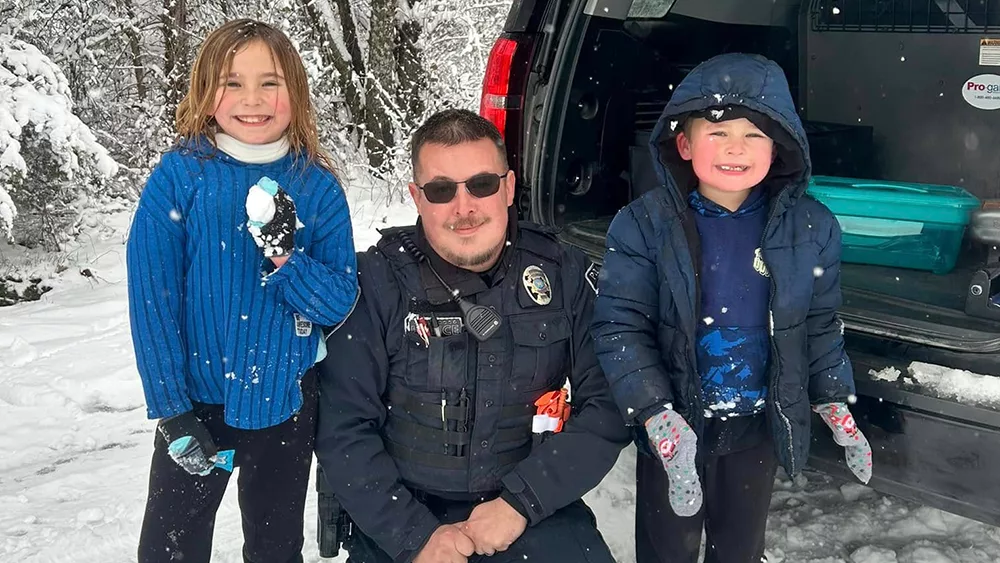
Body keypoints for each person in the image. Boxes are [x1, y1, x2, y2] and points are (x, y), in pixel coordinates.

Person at [590, 53, 874, 563]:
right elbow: (620, 327)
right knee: (666, 548)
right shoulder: (642, 225)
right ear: (684, 143)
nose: (735, 150)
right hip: (675, 423)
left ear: (779, 148)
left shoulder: (811, 228)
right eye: (718, 133)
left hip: (755, 424)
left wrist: (832, 396)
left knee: (740, 547)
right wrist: (655, 412)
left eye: (755, 135)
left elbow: (819, 324)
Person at [314, 109, 629, 563]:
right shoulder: (376, 282)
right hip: (402, 514)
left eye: (481, 184)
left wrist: (523, 502)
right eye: (442, 190)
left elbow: (607, 407)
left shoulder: (564, 276)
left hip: (528, 510)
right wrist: (415, 536)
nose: (464, 208)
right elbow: (343, 429)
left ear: (508, 187)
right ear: (417, 198)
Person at [126, 19, 358, 563]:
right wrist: (171, 410)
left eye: (270, 82)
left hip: (286, 407)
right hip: (197, 408)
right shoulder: (179, 178)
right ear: (207, 93)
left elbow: (339, 302)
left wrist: (285, 257)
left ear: (294, 94)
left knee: (276, 547)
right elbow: (151, 300)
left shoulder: (316, 187)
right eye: (232, 82)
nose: (252, 99)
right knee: (169, 549)